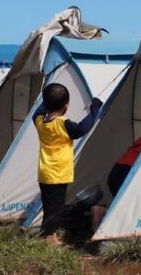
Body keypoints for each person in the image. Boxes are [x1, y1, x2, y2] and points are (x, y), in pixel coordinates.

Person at [33, 83, 102, 245]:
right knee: (56, 208)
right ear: (66, 106)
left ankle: (47, 234)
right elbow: (81, 129)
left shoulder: (40, 122)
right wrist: (95, 109)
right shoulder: (63, 124)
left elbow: (39, 112)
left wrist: (47, 102)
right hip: (58, 173)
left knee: (49, 205)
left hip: (45, 172)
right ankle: (50, 237)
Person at [91, 124, 141, 233]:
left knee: (126, 206)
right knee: (134, 207)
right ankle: (103, 213)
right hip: (131, 170)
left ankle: (101, 223)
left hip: (119, 168)